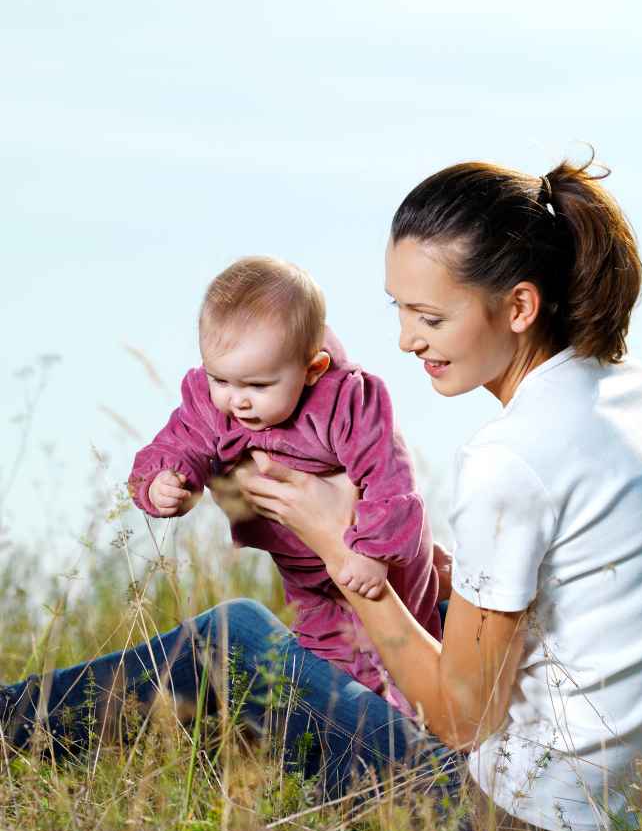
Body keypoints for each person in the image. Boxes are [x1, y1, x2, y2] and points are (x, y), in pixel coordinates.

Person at [0, 153, 642, 831]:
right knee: (429, 603)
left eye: (430, 317)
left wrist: (338, 547)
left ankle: (7, 727)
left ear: (519, 306)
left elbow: (463, 720)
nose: (407, 340)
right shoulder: (638, 396)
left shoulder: (512, 456)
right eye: (399, 310)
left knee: (237, 638)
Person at [128, 256, 441, 715]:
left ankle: (415, 726)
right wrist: (163, 481)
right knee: (325, 655)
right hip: (304, 570)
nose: (237, 399)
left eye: (258, 384)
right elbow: (182, 441)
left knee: (397, 636)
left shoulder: (347, 400)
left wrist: (373, 553)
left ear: (312, 368)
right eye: (221, 379)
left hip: (380, 561)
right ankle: (347, 726)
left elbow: (387, 479)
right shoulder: (212, 401)